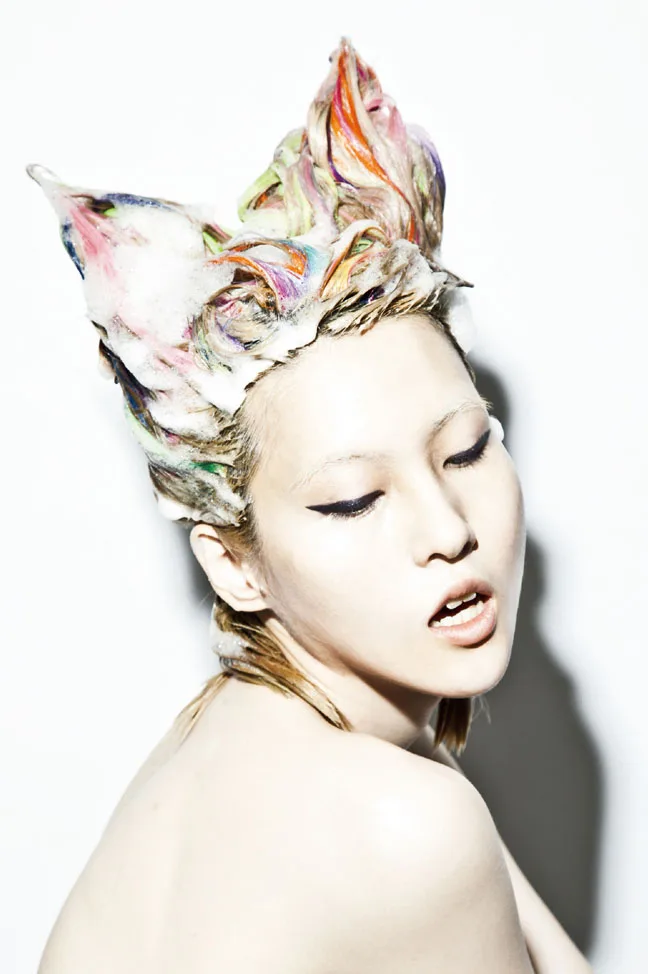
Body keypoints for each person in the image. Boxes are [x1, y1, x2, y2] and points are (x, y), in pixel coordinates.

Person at [28, 37, 593, 974]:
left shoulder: (224, 740)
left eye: (465, 449)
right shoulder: (405, 825)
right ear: (234, 564)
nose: (450, 530)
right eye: (354, 499)